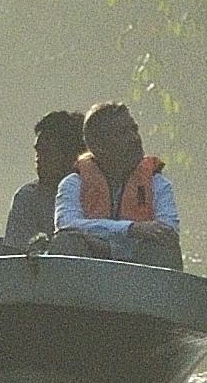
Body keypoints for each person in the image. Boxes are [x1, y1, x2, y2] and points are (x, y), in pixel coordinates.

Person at [52, 100, 183, 268]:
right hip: (90, 268)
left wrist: (115, 248)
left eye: (134, 130)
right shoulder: (72, 184)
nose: (134, 138)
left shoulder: (158, 183)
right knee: (66, 241)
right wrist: (130, 229)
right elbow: (67, 224)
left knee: (163, 247)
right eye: (122, 133)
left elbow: (168, 230)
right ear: (97, 145)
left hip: (139, 268)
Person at [0, 108, 84, 250]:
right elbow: (14, 258)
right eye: (37, 152)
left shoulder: (95, 193)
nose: (38, 159)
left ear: (72, 156)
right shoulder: (27, 197)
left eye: (46, 152)